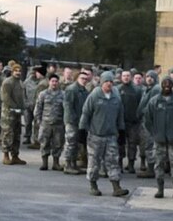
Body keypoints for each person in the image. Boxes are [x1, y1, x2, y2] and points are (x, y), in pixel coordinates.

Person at [79, 69, 129, 197]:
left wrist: (122, 131)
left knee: (113, 161)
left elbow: (120, 116)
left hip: (111, 136)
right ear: (101, 82)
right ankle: (93, 185)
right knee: (94, 162)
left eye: (111, 81)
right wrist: (82, 130)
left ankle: (116, 187)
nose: (109, 84)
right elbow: (86, 113)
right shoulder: (95, 95)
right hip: (96, 135)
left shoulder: (116, 98)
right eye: (106, 81)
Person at [142, 75, 173, 198]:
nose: (167, 86)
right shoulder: (154, 101)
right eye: (165, 84)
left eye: (169, 84)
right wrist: (154, 132)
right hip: (159, 139)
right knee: (158, 164)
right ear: (161, 85)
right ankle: (160, 189)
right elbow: (147, 119)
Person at [34, 72, 67, 171]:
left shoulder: (63, 95)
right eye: (52, 81)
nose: (54, 83)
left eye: (56, 81)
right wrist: (39, 121)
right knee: (44, 143)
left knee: (58, 144)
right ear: (49, 82)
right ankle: (44, 163)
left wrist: (65, 122)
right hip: (46, 123)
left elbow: (66, 109)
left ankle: (56, 163)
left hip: (58, 124)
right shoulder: (43, 94)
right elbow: (38, 108)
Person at [0, 60, 27, 165]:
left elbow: (22, 97)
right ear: (12, 71)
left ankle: (15, 156)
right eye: (16, 71)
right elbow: (5, 98)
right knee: (7, 134)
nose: (18, 72)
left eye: (19, 71)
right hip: (8, 113)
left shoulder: (20, 83)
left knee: (17, 134)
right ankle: (6, 155)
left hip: (18, 114)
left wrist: (23, 107)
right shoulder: (7, 82)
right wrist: (15, 107)